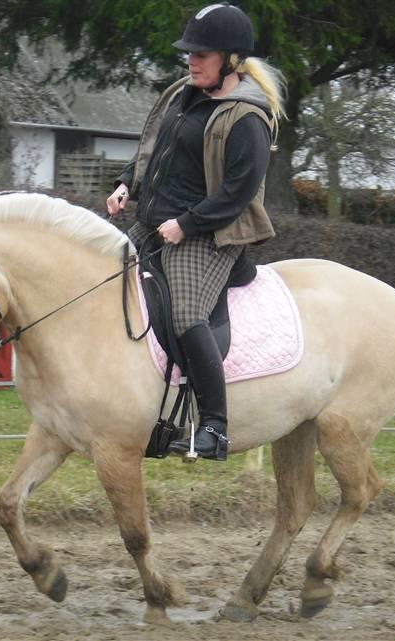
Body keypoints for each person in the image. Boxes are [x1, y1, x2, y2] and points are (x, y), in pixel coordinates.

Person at [106, 2, 285, 461]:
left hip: (210, 234)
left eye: (201, 54)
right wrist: (127, 182)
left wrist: (186, 225)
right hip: (154, 222)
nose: (191, 60)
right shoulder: (181, 94)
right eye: (189, 52)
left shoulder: (246, 117)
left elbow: (237, 194)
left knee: (186, 315)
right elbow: (151, 149)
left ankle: (214, 427)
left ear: (230, 59)